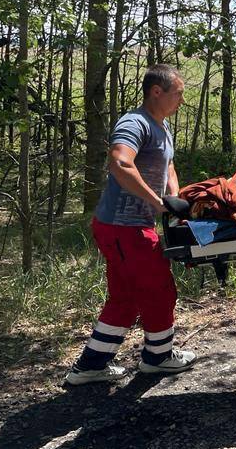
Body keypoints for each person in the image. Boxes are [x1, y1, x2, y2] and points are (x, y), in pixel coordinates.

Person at [65, 64, 197, 385]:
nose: (181, 100)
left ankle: (91, 365)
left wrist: (174, 200)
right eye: (178, 93)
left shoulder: (161, 128)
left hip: (130, 226)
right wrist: (158, 203)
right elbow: (120, 162)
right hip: (124, 226)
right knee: (159, 290)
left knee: (124, 297)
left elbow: (168, 166)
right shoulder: (135, 122)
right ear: (157, 92)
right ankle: (159, 357)